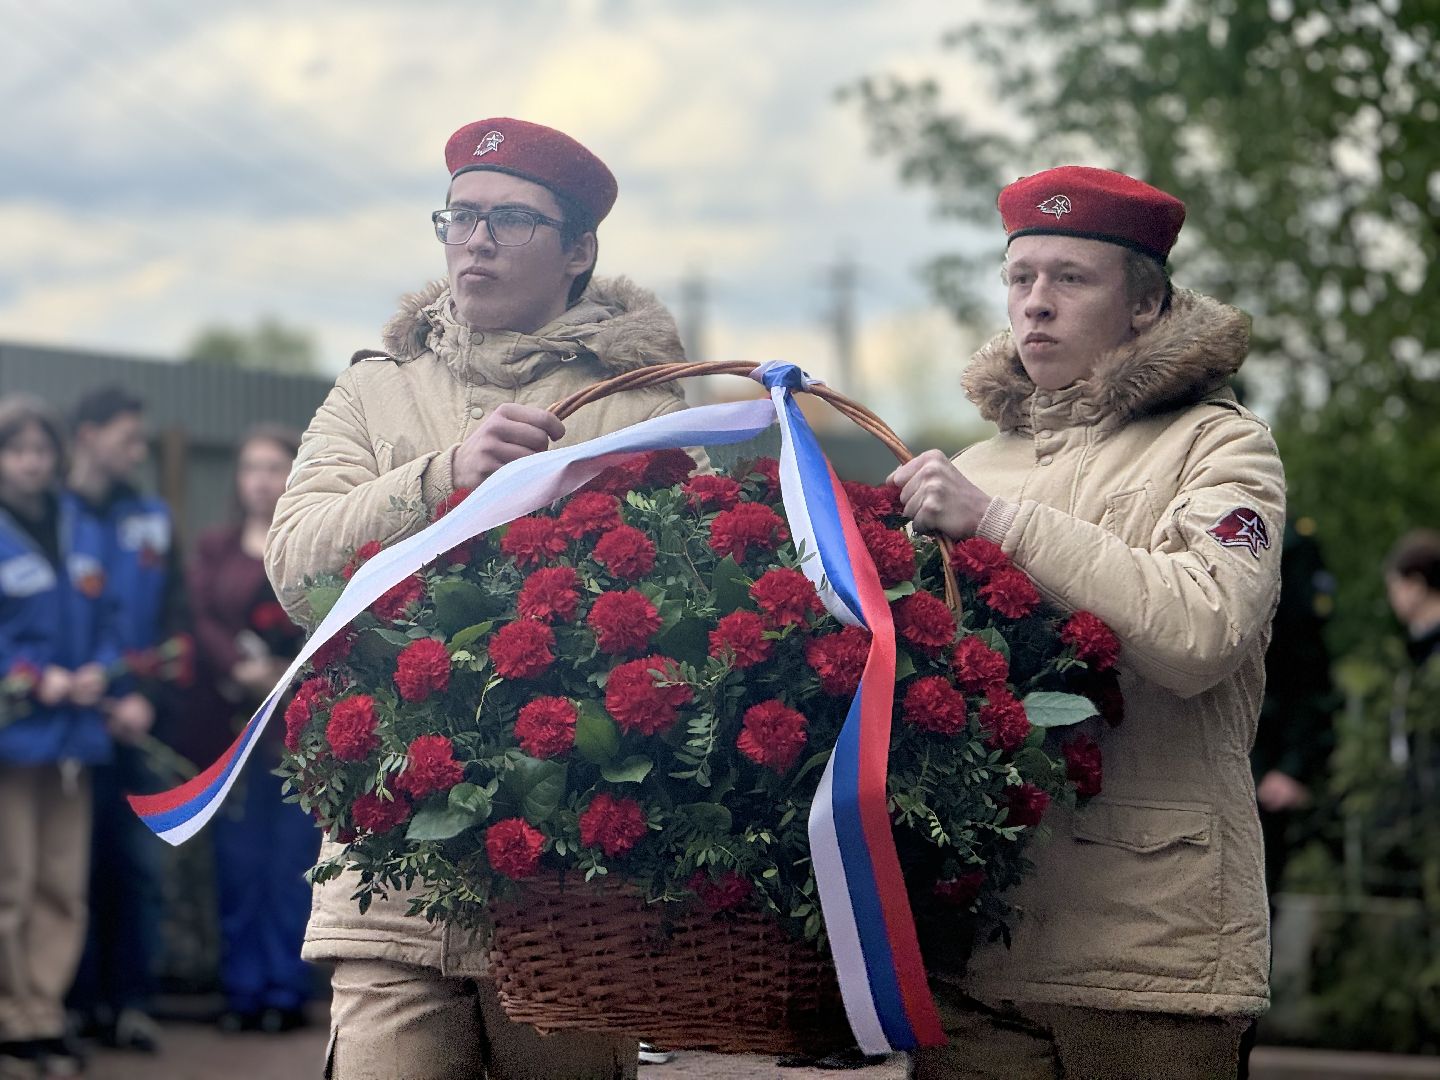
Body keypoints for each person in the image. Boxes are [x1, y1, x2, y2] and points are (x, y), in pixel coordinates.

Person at [265, 118, 694, 1080]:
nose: (477, 240)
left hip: (571, 874)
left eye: (510, 219)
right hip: (387, 864)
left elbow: (688, 619)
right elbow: (294, 569)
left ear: (579, 252)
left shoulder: (646, 408)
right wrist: (440, 475)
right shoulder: (374, 395)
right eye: (458, 217)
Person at [888, 166, 1285, 1079]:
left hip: (1147, 956)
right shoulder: (983, 460)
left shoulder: (1222, 445)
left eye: (1072, 278)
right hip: (977, 950)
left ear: (1145, 305)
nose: (1035, 304)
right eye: (1020, 277)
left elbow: (1202, 630)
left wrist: (999, 522)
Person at [0, 396, 118, 1079]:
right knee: (10, 883)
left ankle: (44, 1010)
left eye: (41, 450)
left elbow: (109, 617)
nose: (31, 462)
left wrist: (100, 673)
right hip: (16, 738)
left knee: (61, 885)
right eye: (17, 450)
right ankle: (10, 1016)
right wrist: (30, 677)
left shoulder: (80, 527)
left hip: (76, 736)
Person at [64, 387, 182, 1056]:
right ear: (87, 434)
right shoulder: (50, 516)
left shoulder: (154, 519)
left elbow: (175, 617)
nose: (137, 450)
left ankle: (132, 1003)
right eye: (126, 437)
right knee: (69, 871)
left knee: (136, 868)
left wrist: (144, 698)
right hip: (66, 725)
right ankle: (75, 1004)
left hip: (138, 726)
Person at [187, 425, 315, 1034]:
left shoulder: (310, 541)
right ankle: (241, 991)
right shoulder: (214, 549)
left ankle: (284, 992)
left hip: (295, 734)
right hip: (231, 731)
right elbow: (200, 616)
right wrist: (239, 668)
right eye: (250, 467)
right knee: (238, 866)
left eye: (273, 466)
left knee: (290, 865)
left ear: (293, 473)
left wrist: (280, 673)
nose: (261, 479)